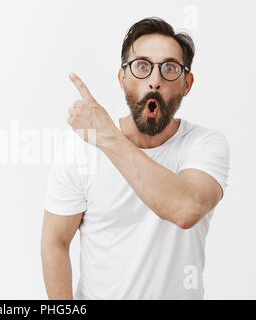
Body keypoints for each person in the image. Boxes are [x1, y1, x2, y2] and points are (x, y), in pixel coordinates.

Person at [41, 17, 230, 300]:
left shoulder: (205, 145)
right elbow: (55, 241)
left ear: (187, 84)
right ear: (122, 78)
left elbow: (185, 209)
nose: (154, 80)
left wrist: (108, 137)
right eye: (142, 66)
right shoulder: (81, 147)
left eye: (169, 68)